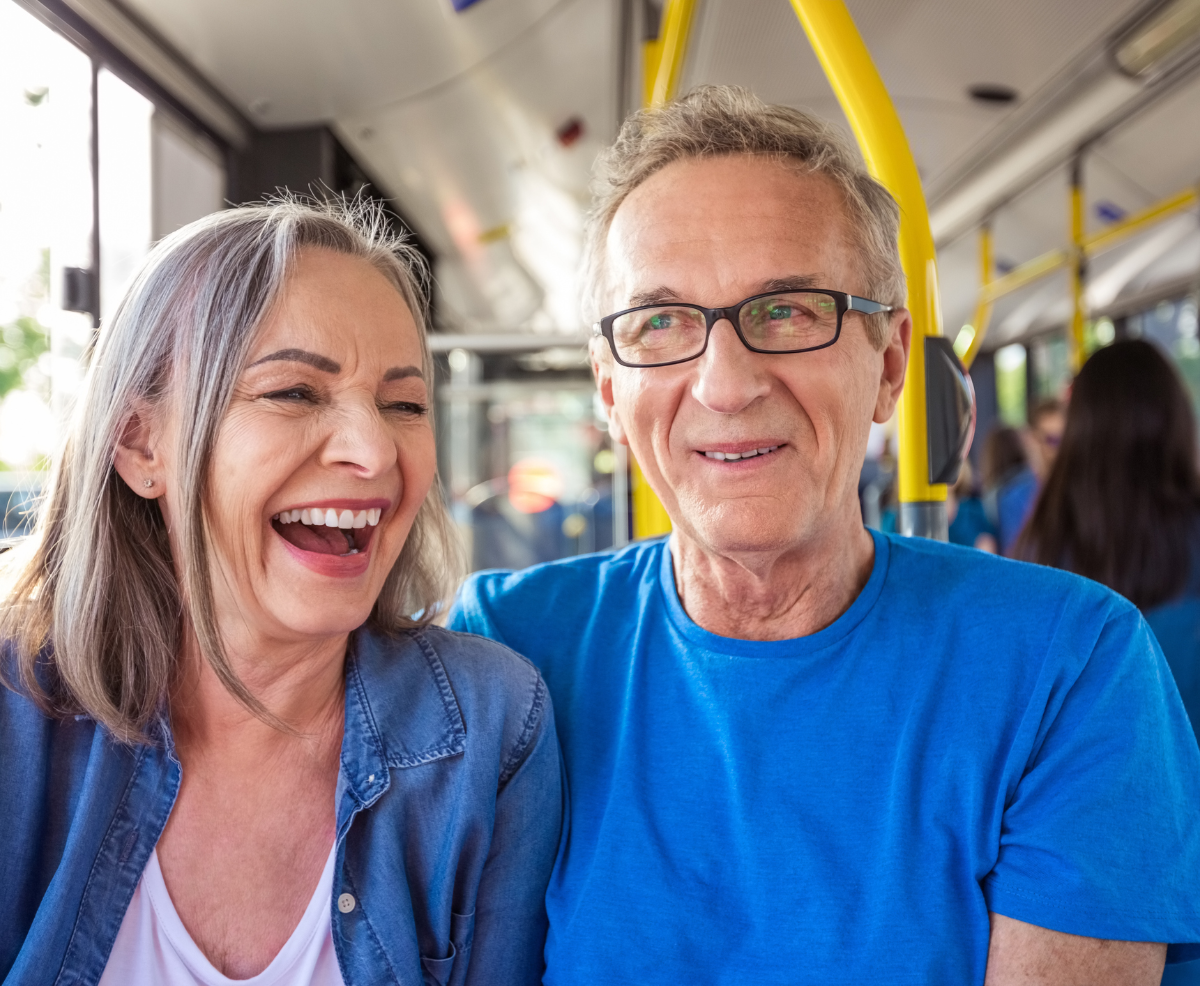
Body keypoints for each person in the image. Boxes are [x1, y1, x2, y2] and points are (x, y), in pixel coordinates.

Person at [449, 86, 1200, 985]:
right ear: (610, 391)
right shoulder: (506, 653)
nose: (725, 385)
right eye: (661, 322)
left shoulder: (1069, 665)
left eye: (789, 310)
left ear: (887, 366)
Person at [0, 200, 561, 985]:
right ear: (138, 443)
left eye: (403, 404)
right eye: (293, 392)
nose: (373, 451)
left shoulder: (490, 726)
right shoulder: (14, 711)